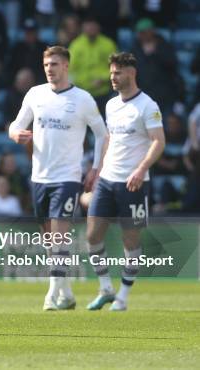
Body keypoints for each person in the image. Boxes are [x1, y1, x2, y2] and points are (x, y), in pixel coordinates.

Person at [8, 46, 108, 311]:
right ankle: (67, 292)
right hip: (39, 176)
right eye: (46, 65)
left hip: (68, 176)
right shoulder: (35, 94)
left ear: (66, 66)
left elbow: (102, 133)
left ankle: (51, 294)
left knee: (59, 236)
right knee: (49, 239)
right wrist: (16, 134)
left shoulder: (83, 99)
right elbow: (16, 124)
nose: (49, 69)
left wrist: (96, 168)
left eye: (54, 64)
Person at [86, 52, 165, 311]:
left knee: (130, 240)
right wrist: (98, 168)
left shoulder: (148, 105)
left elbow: (159, 141)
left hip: (133, 183)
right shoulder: (111, 105)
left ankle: (123, 295)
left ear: (131, 73)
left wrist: (141, 169)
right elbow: (110, 139)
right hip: (108, 179)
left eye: (117, 73)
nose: (112, 77)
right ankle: (106, 288)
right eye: (111, 73)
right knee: (92, 235)